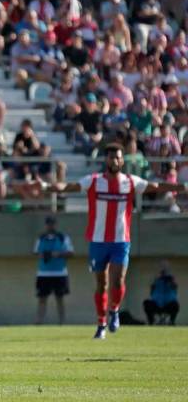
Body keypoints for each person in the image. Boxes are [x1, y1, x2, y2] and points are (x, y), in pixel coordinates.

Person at [33, 143, 188, 339]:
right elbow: (69, 186)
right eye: (111, 157)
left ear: (122, 160)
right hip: (98, 242)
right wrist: (46, 187)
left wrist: (182, 186)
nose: (114, 160)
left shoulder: (130, 181)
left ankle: (114, 311)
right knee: (102, 284)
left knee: (118, 280)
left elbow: (155, 186)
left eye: (118, 157)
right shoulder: (94, 180)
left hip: (120, 241)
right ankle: (101, 323)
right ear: (106, 160)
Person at [33, 216, 74, 325]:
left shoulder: (62, 237)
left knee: (59, 298)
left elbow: (70, 252)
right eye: (48, 224)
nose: (50, 226)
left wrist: (57, 254)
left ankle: (62, 322)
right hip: (43, 273)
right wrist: (45, 255)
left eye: (52, 223)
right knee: (42, 298)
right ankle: (39, 321)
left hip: (59, 273)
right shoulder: (40, 238)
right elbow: (36, 252)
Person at [143, 261, 179, 325]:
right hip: (157, 304)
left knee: (175, 305)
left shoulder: (171, 279)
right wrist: (158, 278)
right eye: (162, 268)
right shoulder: (156, 278)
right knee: (146, 303)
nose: (164, 270)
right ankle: (151, 321)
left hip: (168, 304)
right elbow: (151, 288)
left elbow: (175, 287)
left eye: (165, 268)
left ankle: (171, 321)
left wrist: (170, 280)